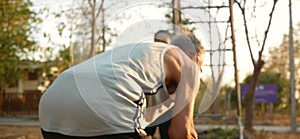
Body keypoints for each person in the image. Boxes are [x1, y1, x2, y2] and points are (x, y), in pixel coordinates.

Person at [39, 33, 205, 139]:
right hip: (105, 104)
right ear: (195, 56)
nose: (201, 71)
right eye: (202, 65)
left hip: (52, 106)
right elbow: (180, 133)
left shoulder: (139, 53)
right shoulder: (189, 66)